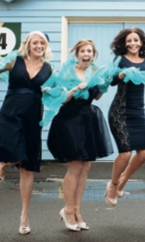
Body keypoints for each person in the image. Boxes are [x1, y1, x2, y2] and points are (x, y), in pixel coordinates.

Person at [47, 39, 114, 231]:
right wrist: (75, 88)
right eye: (83, 51)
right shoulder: (65, 72)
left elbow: (97, 96)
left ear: (94, 55)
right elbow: (61, 99)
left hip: (87, 120)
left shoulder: (95, 71)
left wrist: (105, 84)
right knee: (75, 166)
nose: (87, 54)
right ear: (76, 54)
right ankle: (67, 210)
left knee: (86, 167)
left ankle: (77, 211)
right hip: (69, 121)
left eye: (90, 51)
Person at [0, 31, 53, 235]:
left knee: (27, 166)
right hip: (11, 113)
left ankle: (24, 215)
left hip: (33, 117)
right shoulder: (14, 61)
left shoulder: (49, 68)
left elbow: (56, 90)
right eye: (35, 42)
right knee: (12, 151)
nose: (38, 46)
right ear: (28, 45)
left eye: (42, 43)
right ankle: (3, 163)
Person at [105, 27, 145, 206]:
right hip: (119, 111)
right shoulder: (120, 60)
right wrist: (122, 73)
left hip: (138, 112)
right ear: (125, 43)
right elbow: (111, 80)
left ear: (142, 42)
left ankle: (122, 181)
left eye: (136, 40)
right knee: (125, 154)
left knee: (144, 153)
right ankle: (113, 185)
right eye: (129, 40)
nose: (132, 43)